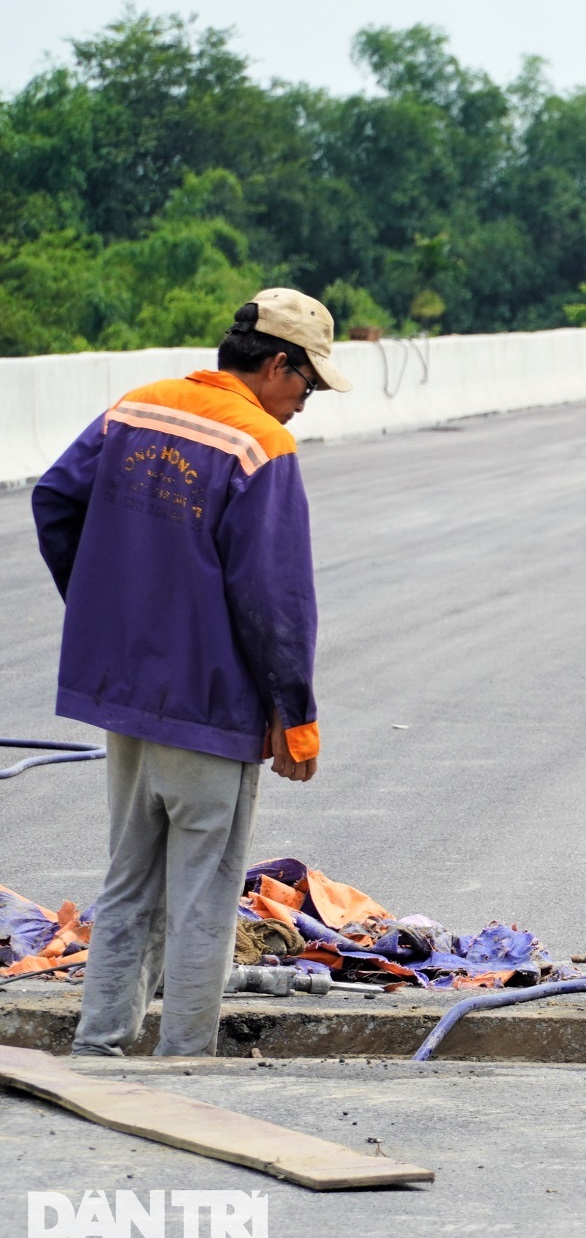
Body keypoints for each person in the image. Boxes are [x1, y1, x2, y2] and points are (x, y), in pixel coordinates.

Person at [32, 289, 350, 1057]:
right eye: (306, 384)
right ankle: (185, 1068)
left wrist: (113, 615)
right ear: (277, 364)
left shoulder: (136, 409)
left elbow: (55, 502)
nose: (304, 403)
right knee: (204, 893)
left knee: (130, 878)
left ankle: (99, 1049)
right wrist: (294, 716)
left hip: (129, 700)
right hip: (210, 707)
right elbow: (275, 599)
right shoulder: (259, 443)